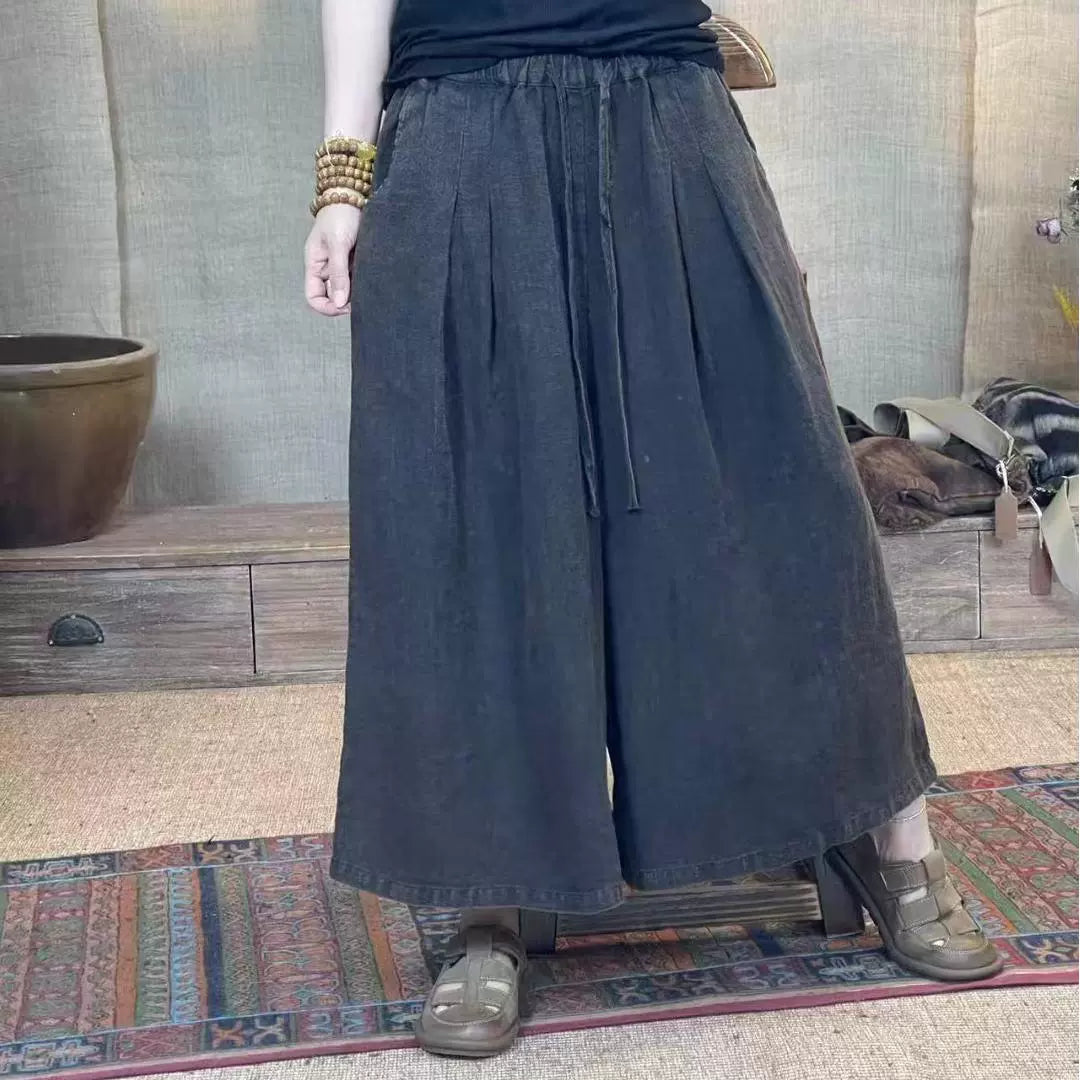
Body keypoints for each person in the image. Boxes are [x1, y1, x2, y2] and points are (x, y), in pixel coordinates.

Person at [303, 0, 1003, 1059]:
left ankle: (888, 833)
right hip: (457, 121)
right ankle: (487, 896)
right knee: (473, 520)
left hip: (665, 106)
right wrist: (342, 181)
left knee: (779, 490)